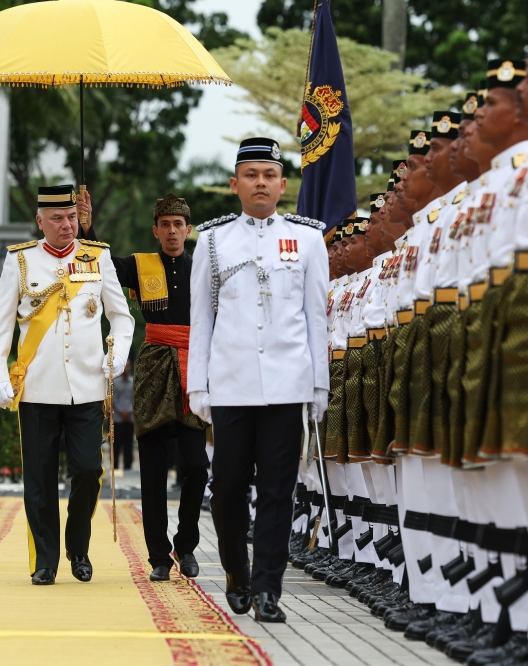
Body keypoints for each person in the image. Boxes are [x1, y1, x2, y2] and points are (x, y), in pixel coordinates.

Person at [188, 137, 329, 623]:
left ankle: (269, 588)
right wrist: (198, 386)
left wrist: (319, 386)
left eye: (269, 175)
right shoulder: (211, 240)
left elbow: (317, 317)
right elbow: (201, 318)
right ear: (235, 184)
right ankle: (236, 572)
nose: (261, 183)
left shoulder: (309, 239)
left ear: (283, 184)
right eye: (251, 175)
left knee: (277, 490)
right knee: (227, 487)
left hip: (288, 384)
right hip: (230, 384)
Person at [0, 184, 134, 586]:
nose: (66, 224)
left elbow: (121, 317)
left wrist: (118, 353)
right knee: (39, 476)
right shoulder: (20, 261)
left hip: (86, 386)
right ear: (40, 221)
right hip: (37, 387)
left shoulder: (96, 257)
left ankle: (78, 547)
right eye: (57, 218)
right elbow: (0, 328)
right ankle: (45, 560)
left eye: (71, 217)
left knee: (87, 470)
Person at [97, 193, 210, 583]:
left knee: (197, 466)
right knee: (154, 468)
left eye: (179, 225)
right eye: (165, 225)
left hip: (192, 365)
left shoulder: (202, 270)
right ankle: (159, 556)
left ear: (188, 230)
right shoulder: (140, 265)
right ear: (156, 230)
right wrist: (85, 227)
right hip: (153, 364)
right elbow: (101, 264)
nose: (173, 231)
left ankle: (187, 544)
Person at [111, 358, 133, 473]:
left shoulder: (133, 382)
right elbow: (114, 399)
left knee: (128, 441)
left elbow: (134, 399)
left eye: (127, 366)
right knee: (117, 441)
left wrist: (128, 411)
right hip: (118, 417)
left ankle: (128, 464)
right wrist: (121, 411)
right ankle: (115, 464)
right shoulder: (115, 382)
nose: (125, 368)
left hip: (130, 417)